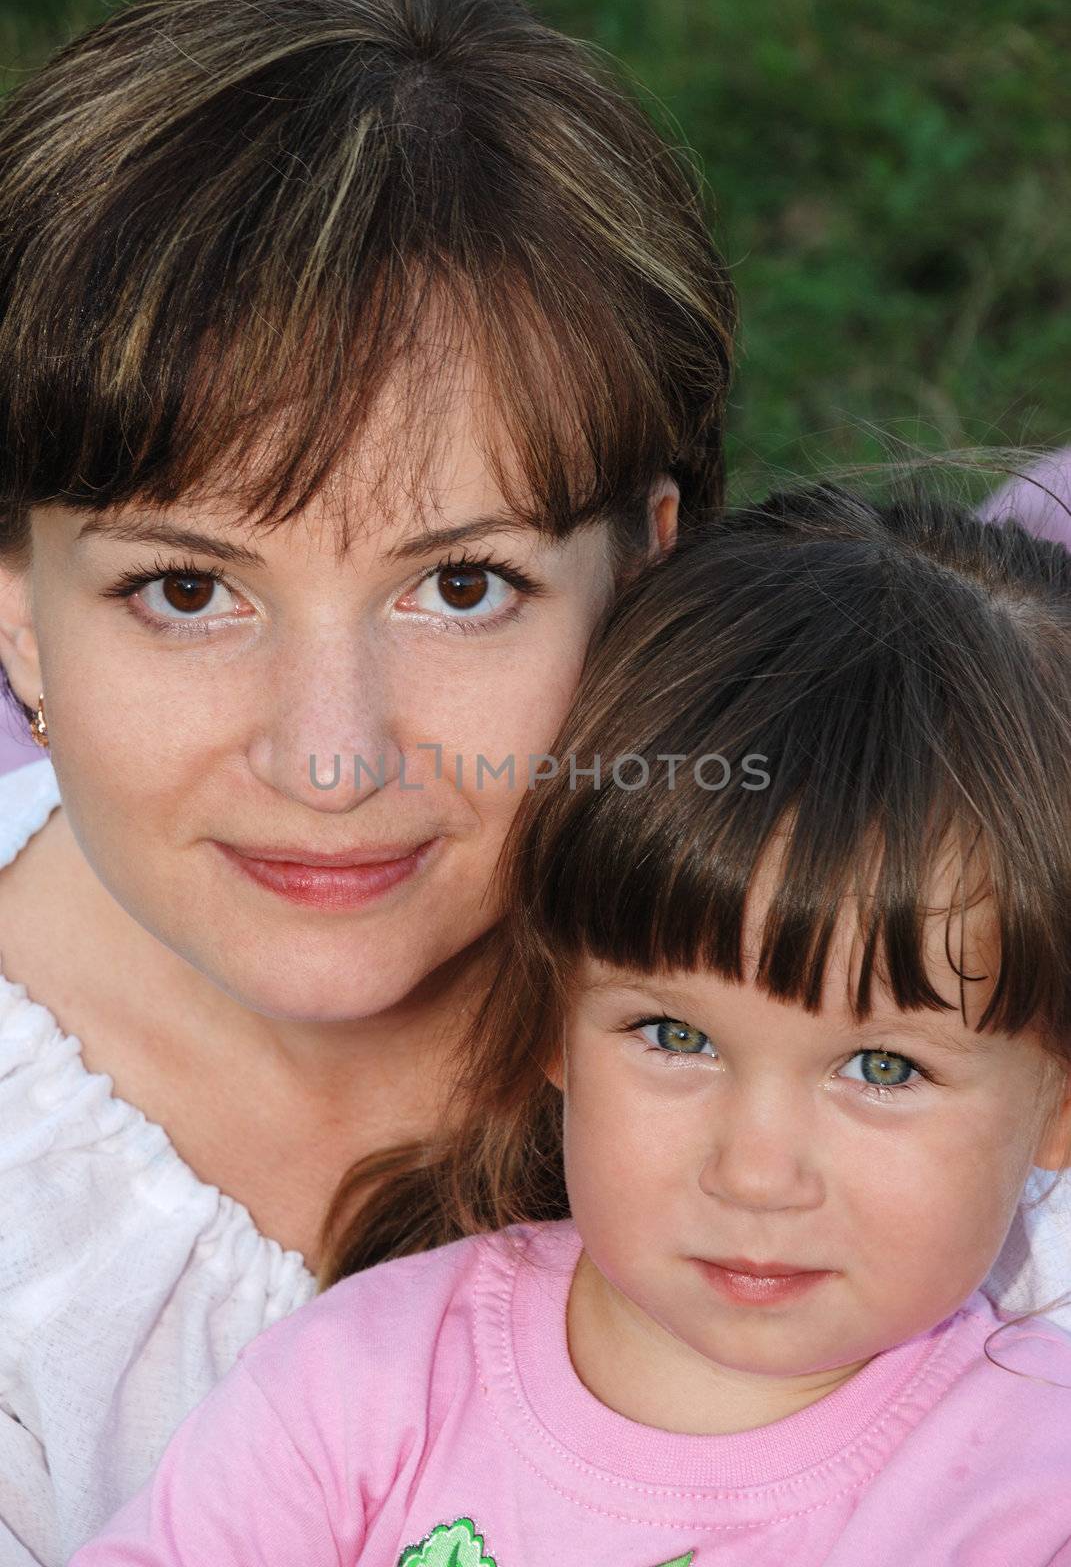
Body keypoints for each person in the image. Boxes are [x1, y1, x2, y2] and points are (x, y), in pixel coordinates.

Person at [0, 0, 737, 1558]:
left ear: (647, 576)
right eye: (185, 591)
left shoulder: (878, 987)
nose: (329, 760)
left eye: (461, 585)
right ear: (18, 618)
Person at [73, 487, 1071, 1566]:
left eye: (882, 1066)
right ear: (554, 1017)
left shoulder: (1026, 1495)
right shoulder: (360, 1383)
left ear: (1057, 1104)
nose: (756, 1172)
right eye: (674, 1037)